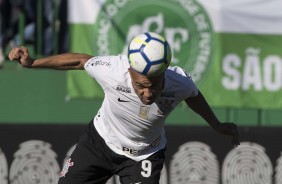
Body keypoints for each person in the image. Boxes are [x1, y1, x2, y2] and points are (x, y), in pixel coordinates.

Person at [8, 32, 240, 184]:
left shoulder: (179, 82)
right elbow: (79, 61)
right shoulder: (112, 70)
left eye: (154, 86)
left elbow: (194, 96)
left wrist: (218, 125)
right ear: (129, 72)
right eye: (141, 86)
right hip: (98, 144)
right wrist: (33, 63)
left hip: (144, 155)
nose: (147, 94)